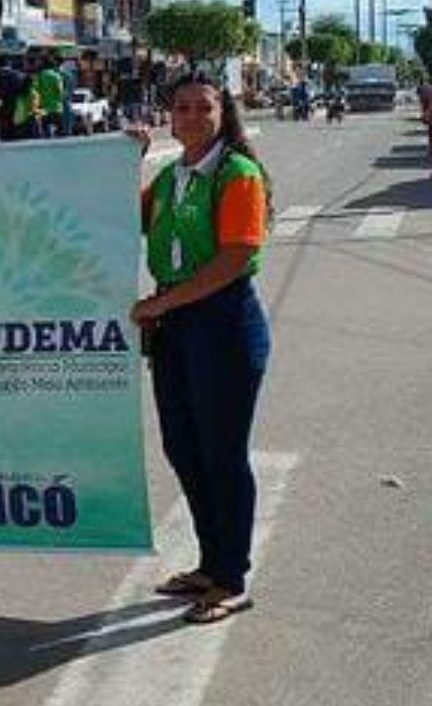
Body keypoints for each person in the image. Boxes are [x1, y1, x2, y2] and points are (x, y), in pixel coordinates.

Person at [127, 71, 273, 626]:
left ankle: (231, 578)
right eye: (181, 108)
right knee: (183, 448)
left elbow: (234, 257)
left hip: (223, 323)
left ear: (222, 113)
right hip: (175, 328)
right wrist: (128, 159)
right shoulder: (171, 176)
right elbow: (117, 217)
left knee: (222, 454)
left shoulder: (237, 173)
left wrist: (161, 304)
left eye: (201, 108)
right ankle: (211, 564)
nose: (190, 117)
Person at [36, 59, 66, 138]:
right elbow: (60, 91)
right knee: (60, 131)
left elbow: (37, 89)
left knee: (46, 131)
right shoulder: (56, 76)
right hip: (56, 107)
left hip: (44, 107)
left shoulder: (40, 76)